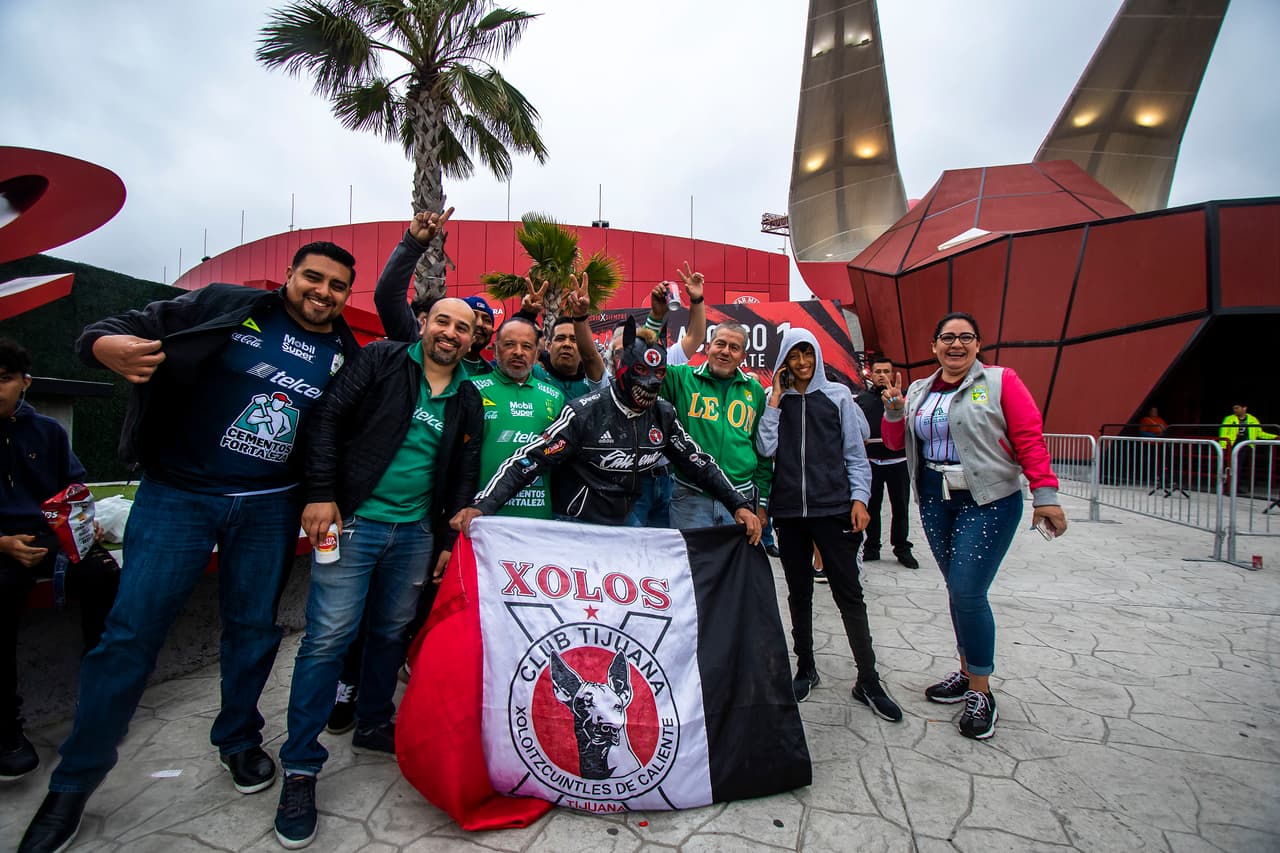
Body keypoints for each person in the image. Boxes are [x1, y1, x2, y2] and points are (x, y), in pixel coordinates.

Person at [17, 242, 361, 853]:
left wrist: (323, 492)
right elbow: (119, 327)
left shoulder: (343, 351)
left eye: (337, 285)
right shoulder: (229, 305)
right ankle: (72, 784)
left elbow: (335, 430)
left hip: (269, 506)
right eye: (314, 277)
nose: (324, 292)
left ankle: (237, 738)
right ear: (290, 276)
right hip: (178, 494)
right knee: (130, 634)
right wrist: (100, 347)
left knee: (253, 631)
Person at [272, 297, 482, 849]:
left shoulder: (468, 395)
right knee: (328, 639)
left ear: (470, 340)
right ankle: (300, 767)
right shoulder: (380, 360)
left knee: (390, 633)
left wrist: (445, 541)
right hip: (354, 524)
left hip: (414, 536)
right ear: (425, 323)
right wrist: (320, 495)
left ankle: (371, 723)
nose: (451, 333)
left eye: (463, 328)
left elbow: (463, 474)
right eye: (443, 321)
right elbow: (324, 422)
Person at [881, 311, 1067, 741]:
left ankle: (981, 691)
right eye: (947, 337)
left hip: (988, 500)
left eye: (966, 337)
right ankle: (966, 672)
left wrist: (1046, 496)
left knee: (968, 591)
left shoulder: (1001, 382)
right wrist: (895, 411)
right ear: (934, 346)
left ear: (979, 345)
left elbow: (1029, 437)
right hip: (934, 498)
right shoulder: (921, 390)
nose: (956, 344)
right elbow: (895, 443)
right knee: (957, 591)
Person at [454, 319, 761, 543]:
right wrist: (482, 507)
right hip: (574, 523)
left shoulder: (663, 415)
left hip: (624, 522)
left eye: (659, 374)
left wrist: (739, 505)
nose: (651, 383)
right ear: (622, 368)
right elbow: (530, 460)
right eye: (641, 372)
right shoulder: (584, 413)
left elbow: (698, 463)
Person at [756, 329, 902, 722]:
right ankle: (806, 668)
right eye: (794, 355)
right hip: (790, 514)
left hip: (833, 510)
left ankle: (867, 679)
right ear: (784, 358)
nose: (802, 363)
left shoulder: (838, 396)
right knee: (799, 595)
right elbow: (765, 449)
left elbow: (856, 453)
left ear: (817, 355)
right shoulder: (779, 401)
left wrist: (859, 499)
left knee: (849, 594)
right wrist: (774, 400)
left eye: (808, 354)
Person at [0, 339, 120, 783]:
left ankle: (98, 702)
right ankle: (6, 728)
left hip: (50, 536)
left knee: (104, 573)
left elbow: (74, 488)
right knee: (3, 589)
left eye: (4, 379)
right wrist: (3, 543)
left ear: (24, 382)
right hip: (2, 545)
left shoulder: (47, 432)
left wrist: (85, 524)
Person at [660, 321, 771, 534]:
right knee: (693, 566)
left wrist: (762, 502)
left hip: (741, 499)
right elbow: (649, 363)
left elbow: (762, 449)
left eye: (734, 347)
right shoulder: (683, 378)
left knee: (733, 567)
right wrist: (657, 317)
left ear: (743, 357)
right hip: (691, 498)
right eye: (720, 344)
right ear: (708, 346)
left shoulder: (755, 391)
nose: (725, 352)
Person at [468, 316, 566, 519]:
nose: (518, 352)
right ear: (495, 349)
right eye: (510, 344)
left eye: (527, 346)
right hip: (482, 518)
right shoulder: (472, 388)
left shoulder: (554, 396)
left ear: (536, 353)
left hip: (539, 519)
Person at [856, 355, 919, 569]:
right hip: (872, 462)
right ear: (871, 375)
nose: (882, 375)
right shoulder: (862, 400)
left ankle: (901, 547)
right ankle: (872, 546)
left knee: (900, 507)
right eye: (878, 372)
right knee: (871, 506)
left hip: (898, 461)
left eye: (886, 371)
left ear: (893, 374)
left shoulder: (904, 398)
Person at [459, 294, 495, 376]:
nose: (480, 324)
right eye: (473, 316)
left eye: (487, 320)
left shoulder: (493, 373)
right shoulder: (440, 366)